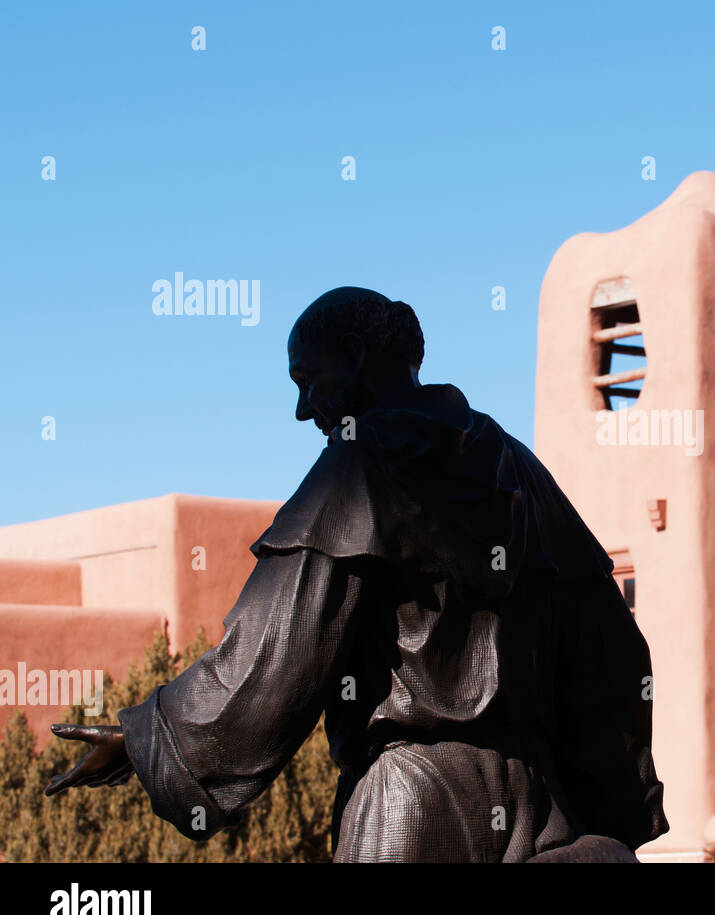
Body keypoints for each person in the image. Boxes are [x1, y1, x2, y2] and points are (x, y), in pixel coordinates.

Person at [46, 287, 668, 862]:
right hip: (538, 812)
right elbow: (613, 661)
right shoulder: (523, 473)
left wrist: (148, 739)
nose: (300, 409)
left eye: (308, 380)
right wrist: (607, 808)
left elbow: (276, 651)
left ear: (356, 355)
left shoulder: (359, 467)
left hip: (411, 808)